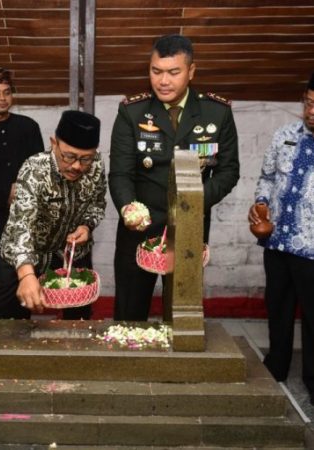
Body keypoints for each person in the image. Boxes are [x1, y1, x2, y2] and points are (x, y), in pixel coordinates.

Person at [109, 34, 239, 321]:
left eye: (173, 72)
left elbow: (229, 171)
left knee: (182, 317)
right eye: (156, 71)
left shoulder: (216, 113)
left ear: (191, 71)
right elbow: (120, 173)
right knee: (130, 316)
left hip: (189, 228)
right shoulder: (132, 112)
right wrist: (128, 207)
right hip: (139, 229)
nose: (163, 81)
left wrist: (193, 201)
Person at [0, 110, 106, 319]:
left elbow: (97, 204)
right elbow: (21, 225)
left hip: (69, 254)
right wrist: (26, 275)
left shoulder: (96, 165)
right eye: (69, 156)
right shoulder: (34, 169)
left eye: (85, 159)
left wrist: (86, 226)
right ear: (54, 143)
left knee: (79, 322)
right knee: (9, 325)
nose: (76, 166)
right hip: (23, 254)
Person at [248, 73, 314, 406]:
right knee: (278, 306)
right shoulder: (284, 135)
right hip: (276, 242)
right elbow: (267, 177)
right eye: (309, 103)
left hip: (311, 249)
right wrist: (261, 204)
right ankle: (276, 366)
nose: (311, 112)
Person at [0, 67, 44, 318]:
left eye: (6, 92)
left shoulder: (28, 127)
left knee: (22, 284)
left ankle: (22, 336)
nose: (2, 98)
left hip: (24, 221)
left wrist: (22, 189)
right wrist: (5, 192)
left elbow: (39, 169)